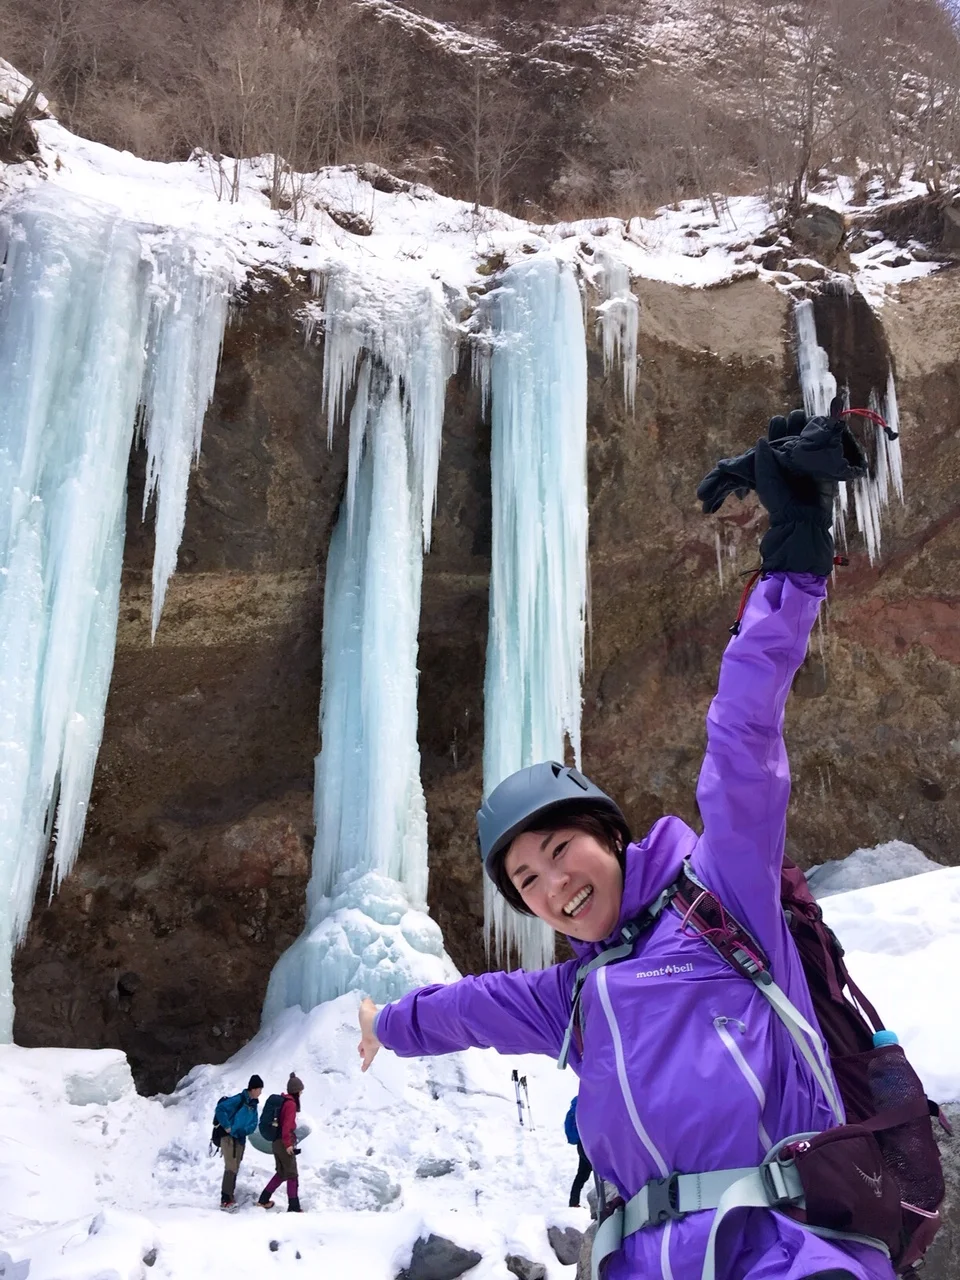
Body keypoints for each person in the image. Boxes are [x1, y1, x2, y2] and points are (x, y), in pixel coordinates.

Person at [358, 412, 894, 1280]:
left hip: (783, 1254)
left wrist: (792, 572)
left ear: (611, 836)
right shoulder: (567, 1000)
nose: (550, 885)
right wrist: (388, 1024)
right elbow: (468, 1009)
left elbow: (741, 738)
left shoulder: (724, 898)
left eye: (560, 848)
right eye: (525, 881)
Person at [258, 1073, 304, 1212]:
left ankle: (263, 1200)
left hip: (276, 1143)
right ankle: (294, 1207)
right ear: (297, 1091)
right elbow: (287, 1126)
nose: (301, 1093)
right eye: (301, 1090)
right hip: (284, 1143)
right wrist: (288, 1144)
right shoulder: (290, 1104)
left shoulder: (285, 1101)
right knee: (292, 1175)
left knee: (281, 1173)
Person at [215, 1074, 263, 1209]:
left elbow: (254, 1123)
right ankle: (225, 1199)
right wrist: (228, 1127)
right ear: (253, 1089)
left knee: (235, 1167)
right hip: (228, 1137)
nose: (260, 1092)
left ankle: (230, 1195)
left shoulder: (253, 1105)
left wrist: (245, 1131)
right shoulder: (239, 1099)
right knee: (230, 1167)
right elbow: (220, 1109)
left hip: (240, 1139)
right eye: (259, 1089)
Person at [565, 1095, 593, 1209]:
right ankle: (605, 1201)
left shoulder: (577, 1104)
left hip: (581, 1144)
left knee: (582, 1175)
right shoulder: (589, 1103)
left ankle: (573, 1203)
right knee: (603, 1172)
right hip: (590, 1144)